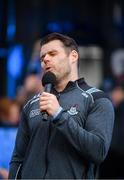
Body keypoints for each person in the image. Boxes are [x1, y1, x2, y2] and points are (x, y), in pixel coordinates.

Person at [8, 32, 114, 179]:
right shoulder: (31, 105)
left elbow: (98, 151)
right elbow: (18, 158)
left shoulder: (96, 99)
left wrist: (59, 115)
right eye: (42, 57)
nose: (45, 59)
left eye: (52, 53)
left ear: (73, 56)